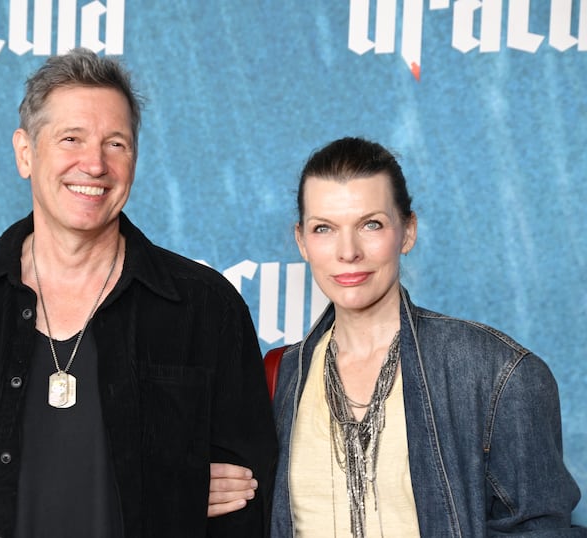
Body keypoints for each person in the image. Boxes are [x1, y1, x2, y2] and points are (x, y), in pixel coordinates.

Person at [0, 48, 277, 538]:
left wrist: (170, 491)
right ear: (25, 152)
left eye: (115, 143)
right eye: (71, 138)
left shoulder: (206, 309)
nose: (94, 164)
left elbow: (248, 502)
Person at [209, 137, 584, 536]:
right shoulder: (279, 378)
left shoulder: (497, 374)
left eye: (371, 224)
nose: (348, 251)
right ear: (302, 241)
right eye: (324, 228)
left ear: (407, 231)